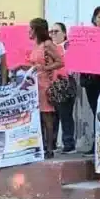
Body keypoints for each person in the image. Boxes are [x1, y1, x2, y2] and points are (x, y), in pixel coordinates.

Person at [27, 18, 65, 159]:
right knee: (38, 117)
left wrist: (44, 68)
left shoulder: (47, 44)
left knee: (47, 117)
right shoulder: (36, 45)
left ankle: (49, 148)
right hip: (35, 84)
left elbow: (60, 62)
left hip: (45, 84)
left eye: (31, 29)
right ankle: (41, 145)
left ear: (36, 30)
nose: (29, 32)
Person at [81, 6, 100, 157]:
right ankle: (96, 144)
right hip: (91, 81)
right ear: (94, 19)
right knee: (96, 112)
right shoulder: (86, 36)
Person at [50, 22, 76, 154]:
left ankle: (68, 143)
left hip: (65, 82)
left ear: (64, 33)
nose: (53, 34)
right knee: (52, 115)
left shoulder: (70, 47)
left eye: (56, 31)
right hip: (50, 83)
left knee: (65, 114)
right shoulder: (48, 47)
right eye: (51, 32)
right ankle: (52, 143)